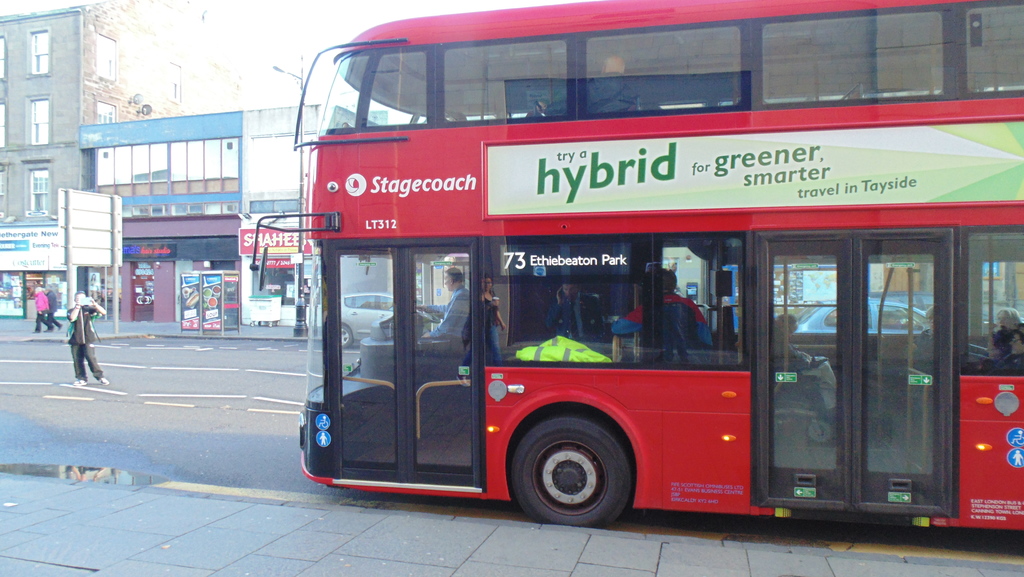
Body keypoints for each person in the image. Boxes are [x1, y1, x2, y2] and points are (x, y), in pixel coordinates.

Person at [611, 268, 711, 361]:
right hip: (687, 360)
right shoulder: (689, 304)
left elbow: (618, 328)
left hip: (656, 360)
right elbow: (705, 337)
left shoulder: (649, 307)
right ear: (674, 285)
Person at [68, 291, 110, 386]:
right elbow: (72, 318)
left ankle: (100, 377)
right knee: (77, 360)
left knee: (91, 358)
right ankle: (81, 378)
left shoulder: (89, 310)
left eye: (82, 298)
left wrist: (95, 305)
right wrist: (78, 307)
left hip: (88, 338)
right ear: (75, 300)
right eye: (78, 298)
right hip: (76, 339)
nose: (80, 300)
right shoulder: (71, 310)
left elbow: (103, 312)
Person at [418, 267, 470, 339]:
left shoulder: (461, 295)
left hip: (457, 338)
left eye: (445, 279)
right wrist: (427, 307)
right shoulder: (459, 293)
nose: (445, 283)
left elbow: (449, 322)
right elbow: (448, 308)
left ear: (451, 281)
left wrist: (432, 334)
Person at [482, 275, 507, 365]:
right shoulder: (479, 294)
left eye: (489, 282)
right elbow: (479, 309)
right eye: (485, 282)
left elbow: (496, 310)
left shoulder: (492, 294)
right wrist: (491, 304)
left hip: (492, 324)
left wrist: (501, 322)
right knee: (480, 348)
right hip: (482, 324)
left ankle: (499, 368)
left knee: (495, 347)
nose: (487, 285)